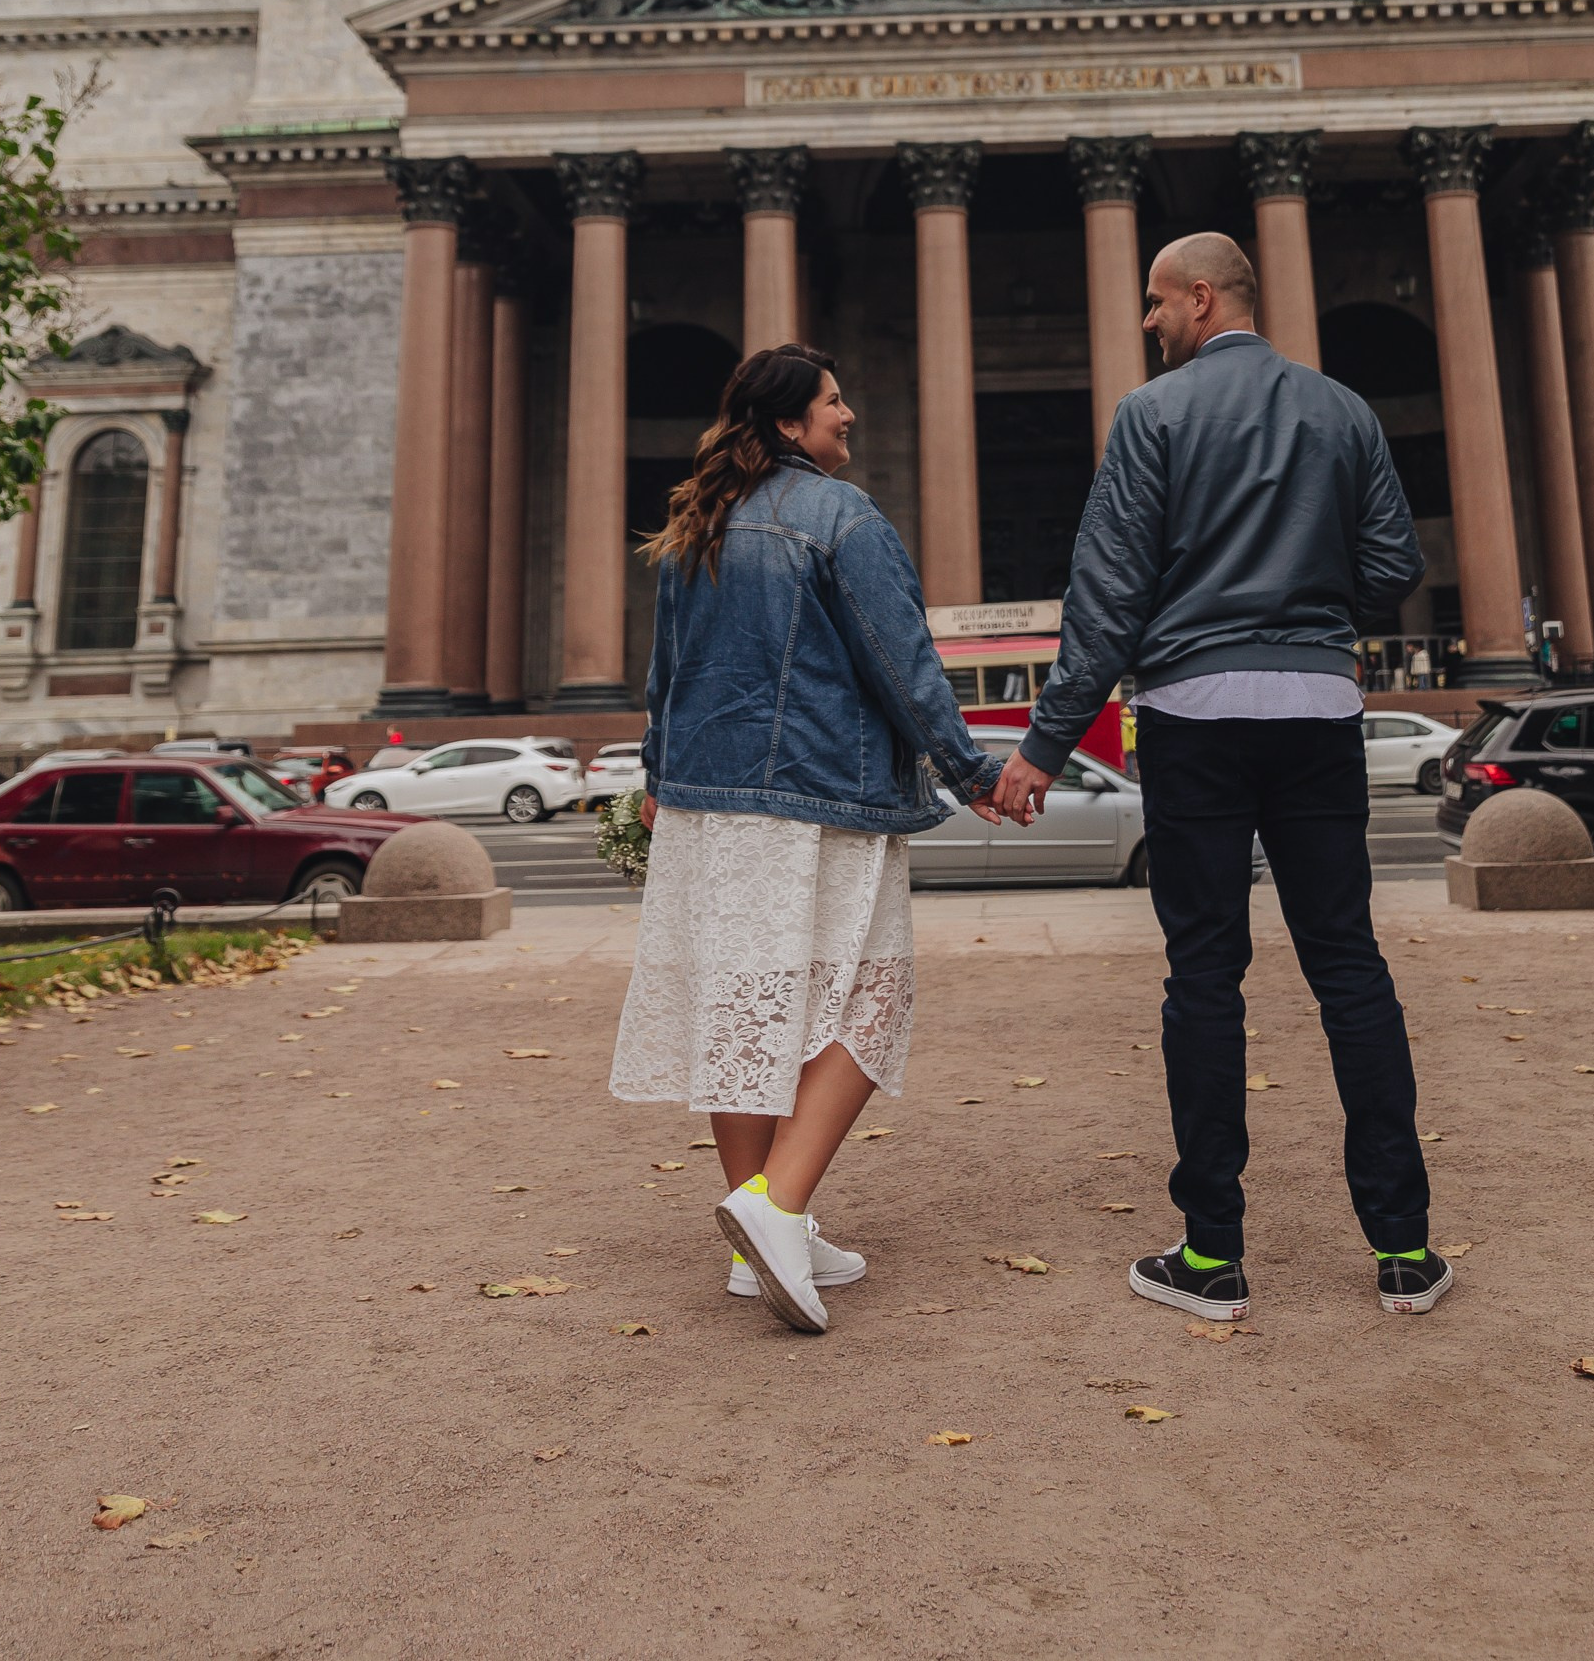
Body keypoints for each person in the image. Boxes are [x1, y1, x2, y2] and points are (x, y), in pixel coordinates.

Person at [990, 233, 1444, 1323]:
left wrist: (1043, 747)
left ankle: (1209, 1257)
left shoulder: (1151, 417)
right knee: (1348, 968)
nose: (1147, 323)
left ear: (1201, 298)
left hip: (1193, 714)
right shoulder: (1339, 411)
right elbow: (1393, 566)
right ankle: (1403, 1250)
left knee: (1204, 977)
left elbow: (1104, 600)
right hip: (1317, 710)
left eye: (1154, 303)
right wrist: (1300, 590)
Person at [608, 341, 1002, 1334]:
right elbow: (899, 662)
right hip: (816, 793)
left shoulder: (699, 519)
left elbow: (664, 672)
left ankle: (765, 1233)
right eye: (833, 402)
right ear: (789, 423)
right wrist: (972, 769)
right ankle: (776, 1206)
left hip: (706, 801)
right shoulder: (842, 519)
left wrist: (658, 777)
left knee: (745, 1006)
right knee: (869, 1000)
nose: (848, 417)